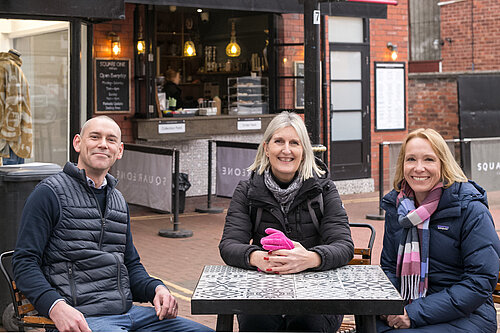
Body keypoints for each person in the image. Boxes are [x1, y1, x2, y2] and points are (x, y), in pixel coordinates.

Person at [12, 116, 211, 332]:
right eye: (95, 137)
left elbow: (131, 265)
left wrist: (156, 289)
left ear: (120, 150)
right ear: (77, 143)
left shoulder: (118, 200)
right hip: (82, 318)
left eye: (111, 139)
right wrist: (55, 307)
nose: (103, 144)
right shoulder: (49, 193)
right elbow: (24, 262)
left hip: (129, 314)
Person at [219, 111, 354, 332]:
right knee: (256, 323)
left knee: (306, 322)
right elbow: (229, 245)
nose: (286, 150)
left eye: (295, 143)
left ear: (304, 151)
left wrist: (310, 258)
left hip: (317, 294)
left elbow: (344, 246)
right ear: (266, 148)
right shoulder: (247, 190)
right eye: (279, 141)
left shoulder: (324, 189)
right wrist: (258, 257)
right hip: (264, 290)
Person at [378, 128, 500, 332]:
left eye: (428, 160)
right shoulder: (397, 209)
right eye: (411, 159)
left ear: (443, 164)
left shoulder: (470, 209)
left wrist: (415, 313)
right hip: (404, 308)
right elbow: (388, 268)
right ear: (402, 165)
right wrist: (390, 307)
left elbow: (480, 281)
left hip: (467, 315)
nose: (419, 168)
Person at [0, 49, 32, 166]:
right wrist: (10, 135)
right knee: (12, 176)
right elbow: (13, 104)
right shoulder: (11, 67)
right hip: (11, 138)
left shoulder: (5, 66)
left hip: (7, 133)